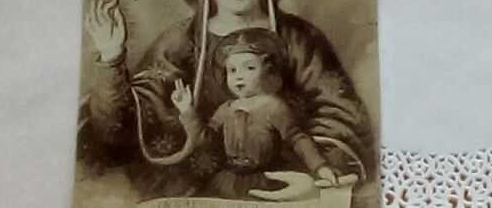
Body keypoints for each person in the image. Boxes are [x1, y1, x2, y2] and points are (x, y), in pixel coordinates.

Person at [80, 0, 376, 206]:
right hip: (197, 193)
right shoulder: (180, 42)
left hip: (287, 190)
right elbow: (121, 128)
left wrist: (316, 180)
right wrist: (111, 58)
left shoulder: (298, 38)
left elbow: (339, 117)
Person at [147, 29, 348, 199]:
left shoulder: (274, 107)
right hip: (227, 182)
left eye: (249, 68)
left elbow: (298, 139)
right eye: (232, 70)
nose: (239, 76)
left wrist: (320, 167)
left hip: (266, 181)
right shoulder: (226, 109)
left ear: (267, 71)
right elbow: (206, 141)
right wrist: (186, 110)